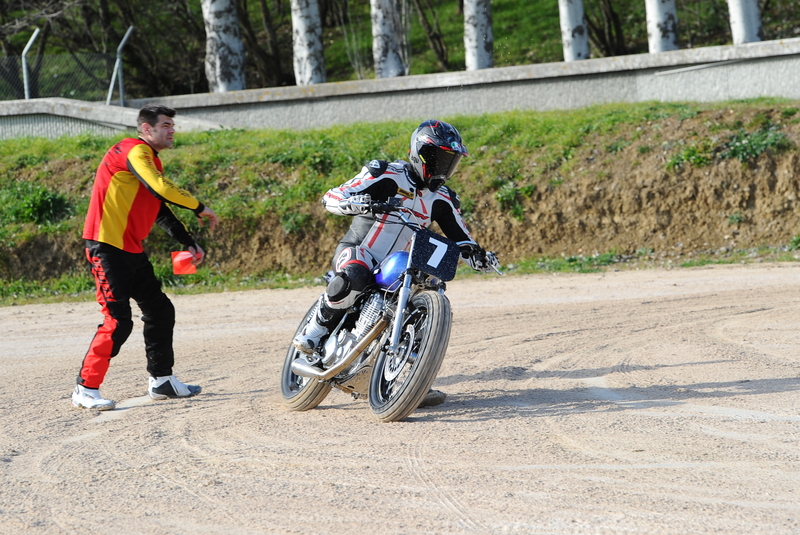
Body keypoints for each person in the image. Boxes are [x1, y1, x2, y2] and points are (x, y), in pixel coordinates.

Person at [292, 119, 498, 405]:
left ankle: (413, 378)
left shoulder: (444, 198)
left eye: (449, 161)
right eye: (438, 158)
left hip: (400, 264)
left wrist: (478, 255)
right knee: (355, 276)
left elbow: (462, 238)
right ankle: (312, 335)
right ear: (419, 153)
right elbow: (334, 196)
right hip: (359, 250)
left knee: (431, 290)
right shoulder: (386, 173)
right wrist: (358, 203)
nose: (443, 168)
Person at [71, 104, 219, 411]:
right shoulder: (135, 152)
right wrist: (199, 206)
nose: (171, 130)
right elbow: (162, 189)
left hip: (130, 250)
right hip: (105, 247)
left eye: (172, 125)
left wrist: (187, 241)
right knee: (117, 322)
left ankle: (162, 380)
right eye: (165, 125)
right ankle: (85, 388)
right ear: (146, 129)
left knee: (160, 310)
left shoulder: (148, 160)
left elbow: (157, 205)